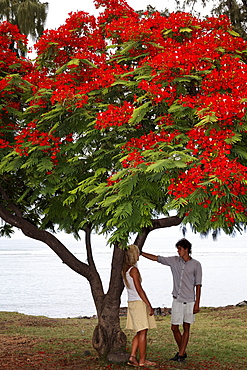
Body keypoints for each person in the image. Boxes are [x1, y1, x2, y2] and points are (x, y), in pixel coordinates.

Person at [141, 238, 202, 363]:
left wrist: (197, 303)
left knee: (186, 327)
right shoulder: (174, 261)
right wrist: (141, 253)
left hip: (190, 300)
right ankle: (182, 352)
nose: (178, 251)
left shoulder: (196, 264)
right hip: (177, 300)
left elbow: (198, 285)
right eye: (177, 249)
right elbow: (158, 258)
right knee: (174, 327)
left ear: (186, 249)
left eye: (180, 249)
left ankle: (180, 354)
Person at [122, 244, 157, 367]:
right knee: (143, 332)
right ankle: (142, 360)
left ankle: (132, 356)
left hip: (132, 302)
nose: (139, 255)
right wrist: (149, 304)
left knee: (139, 331)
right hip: (138, 302)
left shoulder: (125, 270)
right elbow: (139, 289)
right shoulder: (133, 270)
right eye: (137, 253)